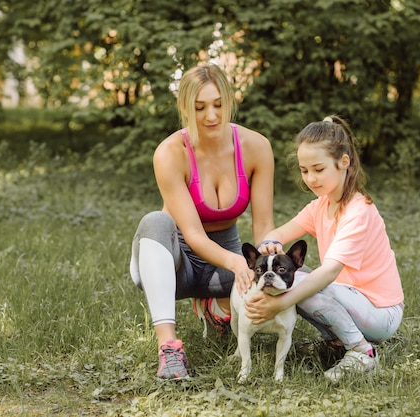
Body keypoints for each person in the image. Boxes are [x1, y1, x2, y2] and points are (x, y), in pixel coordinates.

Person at [129, 63, 276, 380]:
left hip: (224, 261)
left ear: (230, 101)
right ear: (185, 108)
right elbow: (193, 236)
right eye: (200, 108)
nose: (211, 116)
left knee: (298, 274)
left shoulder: (257, 147)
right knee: (156, 220)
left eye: (219, 105)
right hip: (174, 266)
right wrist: (238, 265)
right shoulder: (170, 153)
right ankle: (169, 350)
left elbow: (264, 226)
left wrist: (267, 258)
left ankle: (346, 340)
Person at [246, 115, 404, 382]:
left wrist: (280, 303)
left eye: (319, 169)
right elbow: (280, 233)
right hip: (351, 300)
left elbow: (329, 272)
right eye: (304, 170)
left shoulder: (358, 211)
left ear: (344, 163)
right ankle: (336, 341)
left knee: (300, 283)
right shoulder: (321, 205)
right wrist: (269, 244)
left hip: (381, 314)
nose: (310, 178)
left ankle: (361, 351)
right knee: (289, 275)